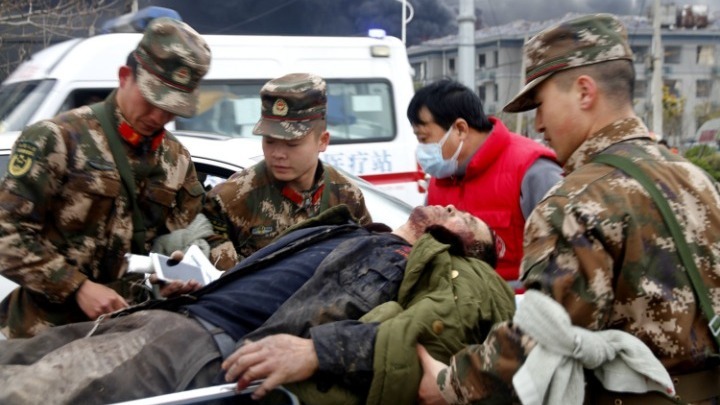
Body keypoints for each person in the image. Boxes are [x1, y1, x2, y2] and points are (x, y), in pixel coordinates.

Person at [416, 13, 720, 404]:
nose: (539, 123)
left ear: (584, 92)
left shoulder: (574, 202)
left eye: (541, 104)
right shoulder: (695, 178)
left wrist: (449, 384)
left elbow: (539, 343)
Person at [0, 204, 515, 405]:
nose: (452, 207)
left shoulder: (434, 269)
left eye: (466, 220)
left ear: (467, 250)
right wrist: (201, 286)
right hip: (169, 315)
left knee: (27, 395)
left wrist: (318, 351)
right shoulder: (352, 229)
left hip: (200, 349)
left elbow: (417, 339)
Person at [0, 18, 212, 339]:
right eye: (151, 100)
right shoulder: (57, 138)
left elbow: (171, 245)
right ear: (124, 76)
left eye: (172, 107)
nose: (159, 116)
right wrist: (77, 287)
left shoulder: (177, 160)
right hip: (47, 335)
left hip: (130, 335)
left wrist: (173, 278)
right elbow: (6, 235)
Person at [200, 73, 372, 270]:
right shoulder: (228, 200)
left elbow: (366, 260)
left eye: (292, 144)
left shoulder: (346, 195)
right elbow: (214, 277)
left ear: (322, 141)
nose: (278, 154)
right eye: (269, 141)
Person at [407, 79, 562, 286]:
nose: (421, 150)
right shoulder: (439, 180)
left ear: (460, 129)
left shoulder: (532, 170)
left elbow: (563, 262)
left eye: (424, 138)